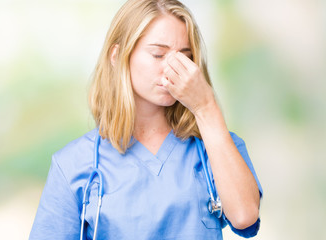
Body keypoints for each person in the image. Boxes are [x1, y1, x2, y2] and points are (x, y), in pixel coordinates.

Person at [29, 0, 263, 239]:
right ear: (118, 55)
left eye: (184, 57)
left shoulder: (217, 146)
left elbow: (245, 217)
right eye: (158, 54)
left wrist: (205, 107)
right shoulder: (74, 165)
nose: (172, 69)